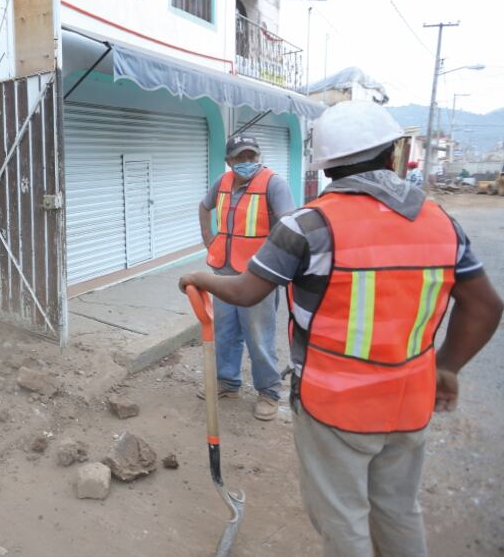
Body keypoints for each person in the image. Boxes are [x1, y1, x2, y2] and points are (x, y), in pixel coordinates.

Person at [180, 100, 502, 556]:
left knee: (344, 520)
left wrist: (200, 278)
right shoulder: (441, 222)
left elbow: (249, 291)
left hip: (333, 406)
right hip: (410, 402)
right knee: (398, 510)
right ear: (393, 157)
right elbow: (485, 306)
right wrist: (446, 369)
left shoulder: (308, 225)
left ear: (326, 168)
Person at [197, 133, 295, 420]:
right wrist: (209, 239)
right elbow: (204, 207)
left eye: (252, 156)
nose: (247, 161)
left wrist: (275, 264)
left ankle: (269, 391)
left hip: (257, 277)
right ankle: (228, 383)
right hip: (225, 272)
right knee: (225, 331)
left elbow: (288, 224)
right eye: (240, 157)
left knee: (258, 335)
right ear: (229, 161)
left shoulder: (273, 183)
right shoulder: (223, 182)